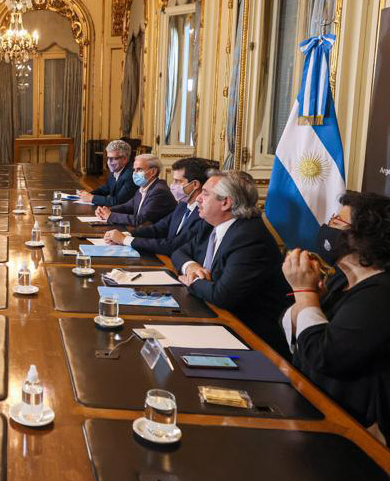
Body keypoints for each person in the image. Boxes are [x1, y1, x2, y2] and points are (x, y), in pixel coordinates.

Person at [281, 191, 390, 443]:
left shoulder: (380, 294)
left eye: (336, 222)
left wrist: (305, 293)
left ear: (364, 237)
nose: (327, 227)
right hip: (312, 403)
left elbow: (325, 356)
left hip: (352, 429)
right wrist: (307, 299)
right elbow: (300, 343)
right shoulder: (342, 278)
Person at [171, 170, 292, 358]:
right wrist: (191, 266)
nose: (199, 199)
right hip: (215, 317)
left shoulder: (249, 237)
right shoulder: (212, 225)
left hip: (251, 339)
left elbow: (222, 296)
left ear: (226, 202)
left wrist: (192, 281)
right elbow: (179, 252)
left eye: (205, 193)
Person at [103, 157, 214, 256]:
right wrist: (126, 234)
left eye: (178, 181)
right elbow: (158, 229)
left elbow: (172, 246)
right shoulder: (183, 205)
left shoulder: (203, 213)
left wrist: (125, 240)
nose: (172, 185)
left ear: (195, 184)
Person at [93, 154, 176, 227]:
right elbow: (129, 206)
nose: (135, 173)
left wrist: (111, 216)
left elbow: (141, 220)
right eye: (134, 170)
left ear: (153, 172)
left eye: (139, 169)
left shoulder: (159, 191)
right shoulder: (144, 187)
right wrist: (107, 210)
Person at [75, 139, 137, 207]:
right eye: (108, 158)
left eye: (113, 159)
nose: (109, 162)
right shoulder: (116, 169)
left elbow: (118, 202)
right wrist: (87, 194)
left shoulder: (130, 175)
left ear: (124, 159)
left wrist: (92, 198)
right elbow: (105, 189)